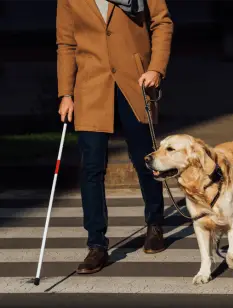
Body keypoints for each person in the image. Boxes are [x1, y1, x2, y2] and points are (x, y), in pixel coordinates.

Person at [56, 0, 173, 274]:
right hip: (91, 87)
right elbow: (66, 44)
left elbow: (162, 22)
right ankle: (96, 245)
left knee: (146, 160)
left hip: (135, 82)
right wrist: (66, 93)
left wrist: (155, 68)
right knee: (92, 169)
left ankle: (155, 223)